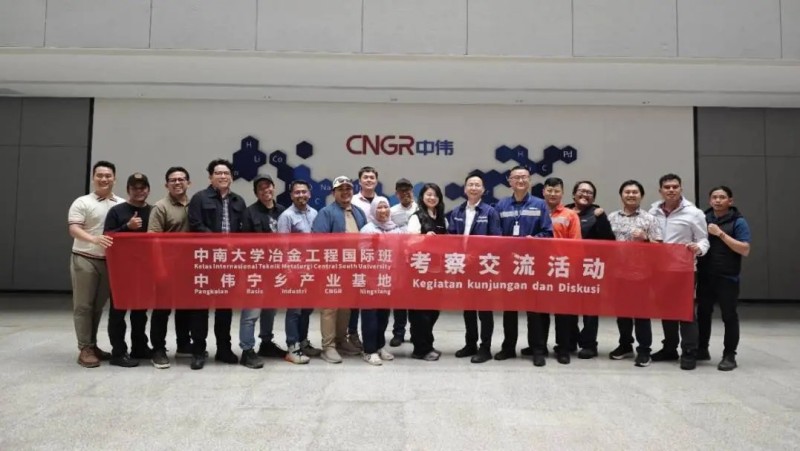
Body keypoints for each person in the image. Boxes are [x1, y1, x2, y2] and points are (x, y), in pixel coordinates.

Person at [186, 158, 246, 370]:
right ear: (210, 177)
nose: (223, 176)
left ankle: (223, 349)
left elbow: (244, 231)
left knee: (225, 308)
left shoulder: (238, 200)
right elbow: (196, 225)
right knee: (200, 309)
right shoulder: (199, 198)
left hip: (229, 263)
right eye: (218, 173)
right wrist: (220, 242)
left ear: (231, 177)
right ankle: (198, 351)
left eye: (226, 173)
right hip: (205, 261)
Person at [493, 165, 554, 363]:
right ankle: (508, 348)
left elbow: (548, 233)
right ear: (509, 181)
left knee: (534, 309)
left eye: (524, 177)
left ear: (530, 181)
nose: (520, 180)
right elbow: (496, 235)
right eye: (516, 177)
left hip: (532, 265)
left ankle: (537, 350)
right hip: (509, 265)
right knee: (509, 309)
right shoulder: (501, 205)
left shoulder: (540, 204)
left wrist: (533, 240)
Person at [649, 174, 709, 371]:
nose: (671, 190)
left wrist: (699, 248)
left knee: (685, 311)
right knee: (666, 310)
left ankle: (690, 351)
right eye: (667, 187)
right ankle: (669, 348)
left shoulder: (694, 213)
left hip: (684, 270)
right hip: (659, 270)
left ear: (681, 189)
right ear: (660, 191)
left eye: (675, 186)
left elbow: (703, 239)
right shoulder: (653, 211)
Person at [67, 161, 120, 368]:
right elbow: (74, 229)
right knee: (83, 305)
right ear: (93, 178)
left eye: (108, 175)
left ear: (114, 178)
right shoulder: (82, 202)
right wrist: (94, 239)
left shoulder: (121, 203)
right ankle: (84, 348)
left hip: (109, 263)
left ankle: (92, 345)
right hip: (85, 258)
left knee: (97, 306)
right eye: (99, 175)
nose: (104, 179)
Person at [311, 176, 368, 363]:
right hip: (332, 269)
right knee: (330, 307)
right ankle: (328, 346)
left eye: (348, 189)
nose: (345, 192)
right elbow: (318, 242)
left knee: (346, 306)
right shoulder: (326, 213)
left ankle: (341, 340)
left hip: (353, 268)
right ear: (333, 192)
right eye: (340, 189)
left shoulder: (358, 212)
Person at [608, 180, 663, 367]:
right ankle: (625, 345)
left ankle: (644, 350)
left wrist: (645, 238)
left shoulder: (649, 219)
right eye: (627, 192)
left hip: (641, 275)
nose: (631, 195)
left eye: (635, 192)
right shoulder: (612, 217)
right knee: (622, 313)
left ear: (641, 195)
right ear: (621, 195)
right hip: (617, 274)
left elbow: (660, 248)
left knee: (641, 314)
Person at [447, 174, 502, 364]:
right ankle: (470, 344)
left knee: (485, 311)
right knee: (468, 309)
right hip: (463, 267)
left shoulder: (490, 211)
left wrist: (476, 256)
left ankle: (485, 348)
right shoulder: (457, 211)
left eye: (477, 185)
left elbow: (495, 240)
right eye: (470, 184)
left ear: (483, 190)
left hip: (484, 268)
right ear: (465, 189)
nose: (473, 187)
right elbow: (451, 238)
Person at [697, 186, 751, 371]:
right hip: (705, 275)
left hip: (727, 277)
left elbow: (745, 249)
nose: (718, 200)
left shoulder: (738, 221)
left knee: (729, 316)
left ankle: (729, 355)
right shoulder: (703, 218)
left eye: (722, 197)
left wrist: (720, 233)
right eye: (714, 197)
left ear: (730, 201)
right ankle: (702, 349)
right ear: (710, 200)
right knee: (703, 313)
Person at [103, 173, 153, 367]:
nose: (139, 191)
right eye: (134, 188)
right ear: (128, 190)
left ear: (148, 189)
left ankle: (139, 347)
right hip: (121, 270)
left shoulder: (153, 211)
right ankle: (118, 352)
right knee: (118, 312)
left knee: (140, 312)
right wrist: (127, 227)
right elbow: (107, 237)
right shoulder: (117, 211)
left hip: (145, 270)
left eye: (142, 188)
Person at [238, 174, 287, 369]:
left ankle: (266, 343)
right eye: (261, 188)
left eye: (268, 186)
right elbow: (245, 244)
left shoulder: (282, 211)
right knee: (252, 311)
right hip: (256, 271)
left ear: (274, 188)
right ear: (256, 193)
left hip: (276, 270)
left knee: (270, 310)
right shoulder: (249, 213)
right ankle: (247, 350)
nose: (266, 190)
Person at [147, 166, 193, 369]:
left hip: (189, 267)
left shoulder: (195, 204)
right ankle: (158, 349)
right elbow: (153, 240)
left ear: (188, 183)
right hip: (166, 265)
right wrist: (159, 268)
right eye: (173, 180)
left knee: (185, 307)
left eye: (181, 179)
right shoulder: (160, 207)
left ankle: (183, 344)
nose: (177, 182)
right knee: (162, 310)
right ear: (167, 185)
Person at [564, 180, 616, 359]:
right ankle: (570, 341)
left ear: (593, 198)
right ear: (573, 194)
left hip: (590, 268)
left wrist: (601, 219)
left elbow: (608, 240)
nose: (585, 194)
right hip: (566, 267)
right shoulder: (564, 211)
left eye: (589, 192)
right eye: (581, 191)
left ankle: (589, 344)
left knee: (590, 309)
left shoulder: (597, 213)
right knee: (568, 307)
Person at [276, 180, 322, 364]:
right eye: (297, 192)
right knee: (294, 310)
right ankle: (292, 347)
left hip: (312, 270)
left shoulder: (315, 213)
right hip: (294, 270)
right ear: (291, 195)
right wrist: (287, 270)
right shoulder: (286, 216)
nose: (301, 195)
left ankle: (303, 342)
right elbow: (283, 247)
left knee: (307, 309)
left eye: (304, 191)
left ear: (309, 194)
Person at [538, 177, 582, 366]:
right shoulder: (537, 211)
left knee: (563, 313)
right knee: (540, 311)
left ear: (562, 193)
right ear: (543, 192)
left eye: (556, 190)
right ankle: (539, 347)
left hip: (562, 269)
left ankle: (563, 349)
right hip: (539, 269)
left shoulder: (570, 215)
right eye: (549, 190)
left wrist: (571, 268)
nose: (553, 194)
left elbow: (576, 244)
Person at [359, 197, 403, 365]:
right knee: (370, 316)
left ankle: (379, 346)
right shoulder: (367, 230)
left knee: (383, 315)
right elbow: (363, 255)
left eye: (385, 207)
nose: (383, 210)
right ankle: (369, 350)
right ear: (373, 210)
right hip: (370, 279)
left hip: (388, 280)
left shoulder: (396, 230)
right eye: (379, 207)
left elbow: (400, 253)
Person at [407, 183, 448, 361]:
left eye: (435, 195)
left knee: (433, 310)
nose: (432, 198)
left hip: (437, 271)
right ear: (422, 197)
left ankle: (427, 344)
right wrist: (424, 239)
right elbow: (409, 242)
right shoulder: (416, 217)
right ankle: (420, 349)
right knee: (420, 312)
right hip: (419, 271)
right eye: (428, 194)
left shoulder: (442, 218)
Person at [348, 166, 380, 352]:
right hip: (356, 255)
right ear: (359, 181)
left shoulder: (382, 201)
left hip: (377, 259)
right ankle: (352, 333)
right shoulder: (351, 201)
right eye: (365, 177)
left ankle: (373, 336)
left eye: (372, 177)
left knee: (373, 298)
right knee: (355, 297)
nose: (369, 180)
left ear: (376, 181)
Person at [388, 178, 417, 347]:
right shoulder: (391, 212)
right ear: (396, 194)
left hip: (418, 259)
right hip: (398, 259)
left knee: (415, 298)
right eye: (402, 191)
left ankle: (415, 332)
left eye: (408, 190)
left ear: (412, 191)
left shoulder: (420, 209)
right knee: (399, 297)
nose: (405, 194)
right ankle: (398, 333)